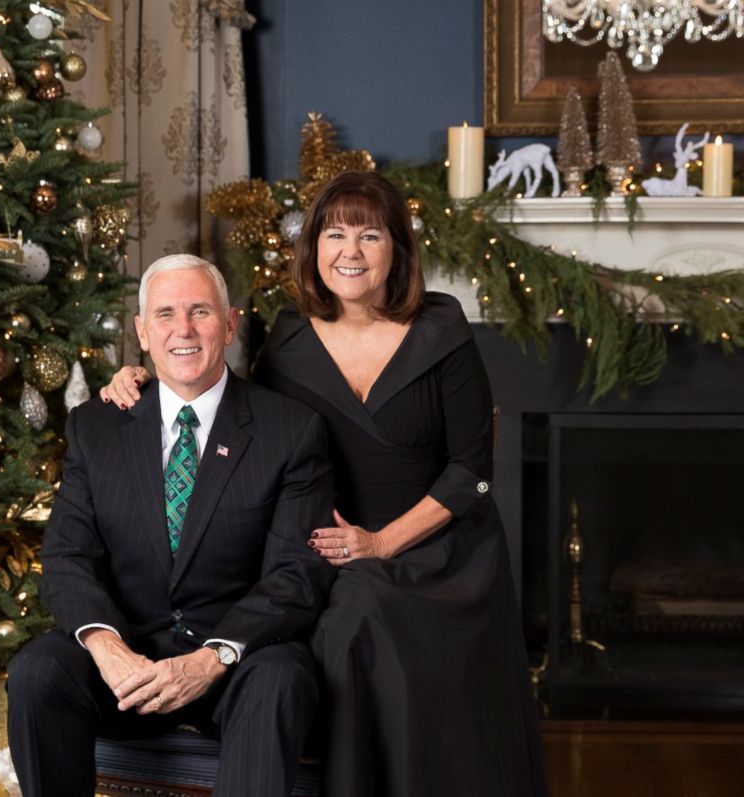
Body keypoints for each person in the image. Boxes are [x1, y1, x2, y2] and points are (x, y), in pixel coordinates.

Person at [101, 172, 549, 796]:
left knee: (361, 612)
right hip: (328, 548)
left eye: (371, 235)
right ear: (313, 247)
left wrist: (383, 543)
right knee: (345, 612)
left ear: (398, 249)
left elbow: (471, 469)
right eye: (335, 234)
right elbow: (232, 412)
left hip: (441, 549)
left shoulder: (442, 330)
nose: (352, 251)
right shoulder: (288, 338)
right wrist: (143, 380)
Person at [7, 254, 336, 797]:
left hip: (234, 660)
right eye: (164, 314)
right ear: (141, 331)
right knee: (39, 670)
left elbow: (297, 573)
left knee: (280, 678)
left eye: (200, 311)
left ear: (230, 325)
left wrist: (213, 657)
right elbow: (67, 558)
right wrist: (107, 649)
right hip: (129, 659)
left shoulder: (291, 431)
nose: (182, 329)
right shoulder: (97, 426)